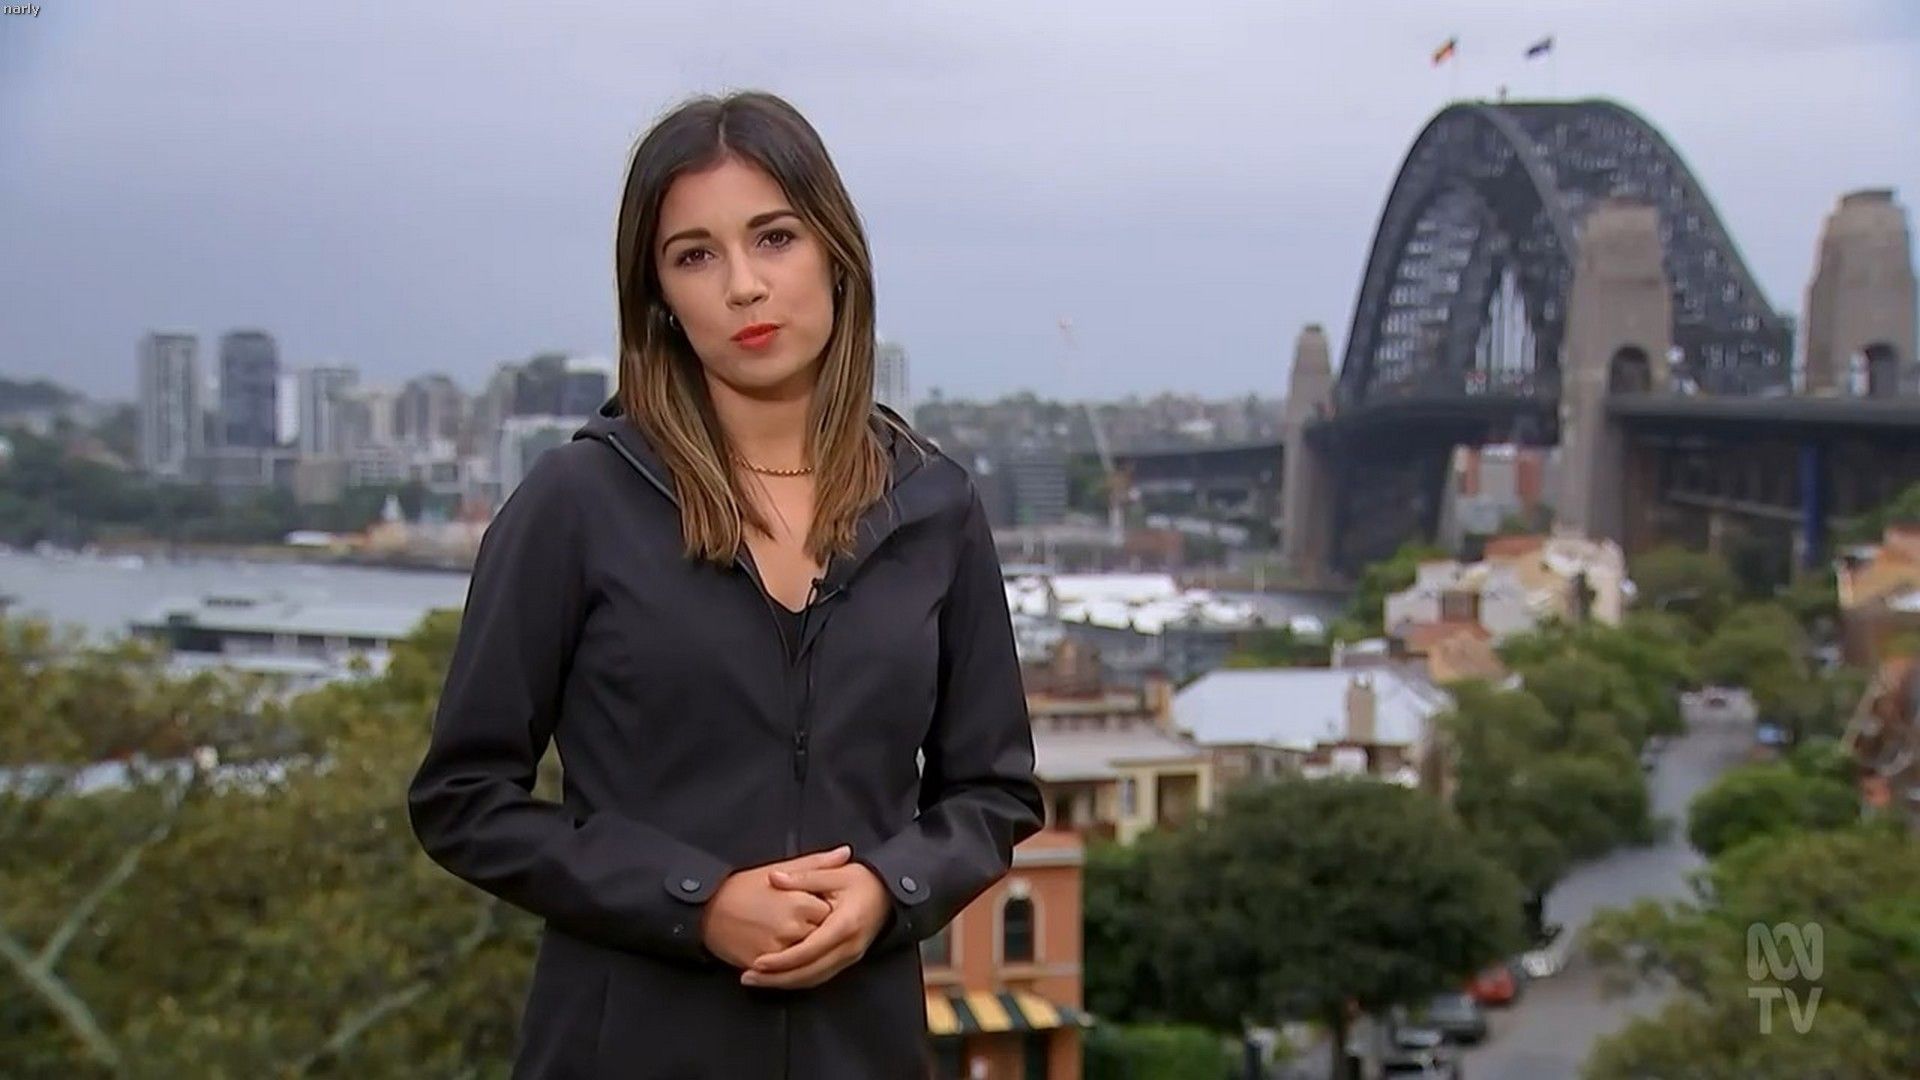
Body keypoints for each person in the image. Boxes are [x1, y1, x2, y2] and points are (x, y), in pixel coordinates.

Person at [406, 89, 1044, 1079]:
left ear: (836, 252)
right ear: (659, 295)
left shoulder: (936, 506)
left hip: (861, 1050)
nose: (745, 286)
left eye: (774, 238)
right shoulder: (578, 502)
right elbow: (462, 798)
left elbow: (994, 791)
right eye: (695, 255)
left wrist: (890, 889)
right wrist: (693, 903)